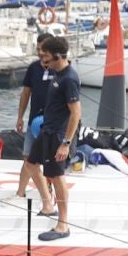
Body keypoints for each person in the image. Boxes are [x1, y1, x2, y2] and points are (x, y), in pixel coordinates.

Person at [31, 36, 81, 241]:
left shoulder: (69, 78)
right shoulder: (56, 73)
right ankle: (48, 205)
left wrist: (66, 144)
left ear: (59, 57)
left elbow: (76, 113)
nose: (45, 62)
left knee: (57, 176)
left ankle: (63, 224)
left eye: (48, 58)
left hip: (58, 136)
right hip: (47, 130)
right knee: (31, 164)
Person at [13, 35, 59, 212]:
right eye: (38, 49)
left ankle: (48, 194)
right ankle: (20, 191)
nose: (40, 52)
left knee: (49, 162)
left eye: (43, 49)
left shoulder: (59, 69)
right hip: (34, 122)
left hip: (52, 125)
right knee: (28, 157)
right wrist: (20, 117)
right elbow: (25, 93)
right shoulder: (33, 68)